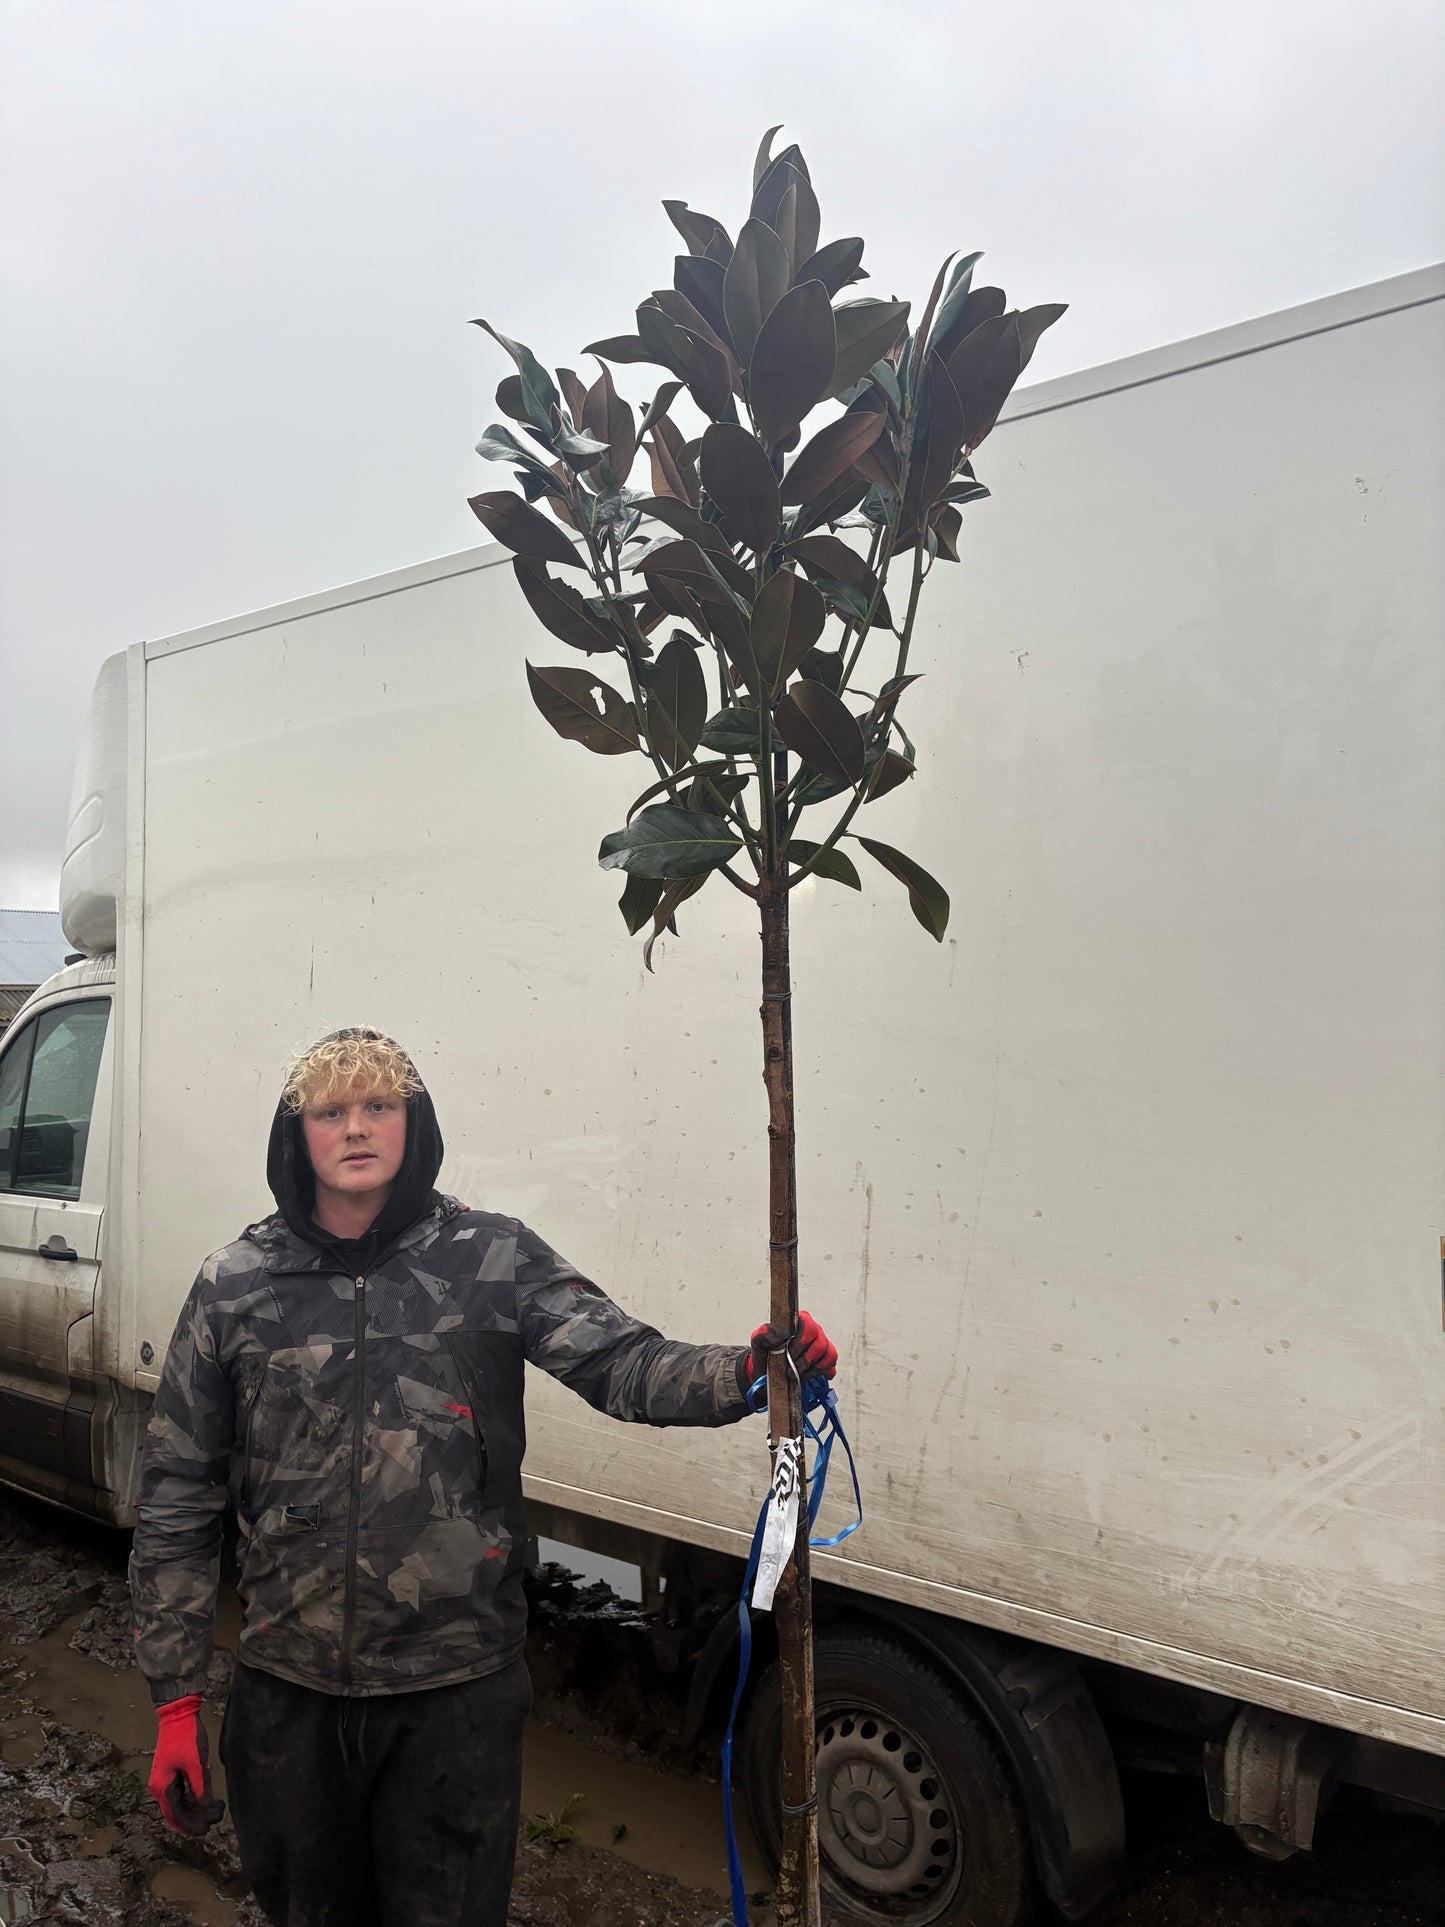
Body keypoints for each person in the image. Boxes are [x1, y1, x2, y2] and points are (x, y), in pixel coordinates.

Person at [129, 1026, 835, 1927]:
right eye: (331, 1109)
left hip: (454, 1693)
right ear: (294, 1132)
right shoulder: (234, 1284)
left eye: (378, 1105)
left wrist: (748, 1372)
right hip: (288, 1696)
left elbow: (623, 1363)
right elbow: (178, 1493)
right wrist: (177, 1699)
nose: (356, 1127)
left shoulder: (491, 1256)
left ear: (411, 1122)